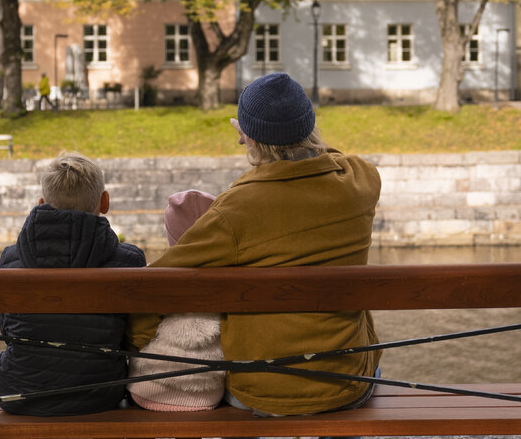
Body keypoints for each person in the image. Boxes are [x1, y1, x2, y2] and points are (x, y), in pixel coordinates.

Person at [128, 72, 382, 435]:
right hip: (348, 383)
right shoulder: (361, 181)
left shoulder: (235, 211)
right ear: (310, 125)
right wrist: (297, 136)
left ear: (248, 136)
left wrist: (139, 344)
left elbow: (157, 283)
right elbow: (331, 157)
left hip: (262, 391)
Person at [0, 152, 146, 416]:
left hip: (19, 393)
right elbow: (134, 335)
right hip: (100, 394)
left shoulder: (11, 259)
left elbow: (7, 330)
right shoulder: (129, 260)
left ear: (42, 203)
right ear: (104, 201)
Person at [127, 189, 225, 411]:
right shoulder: (228, 275)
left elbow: (138, 335)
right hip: (208, 393)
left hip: (148, 389)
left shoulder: (156, 276)